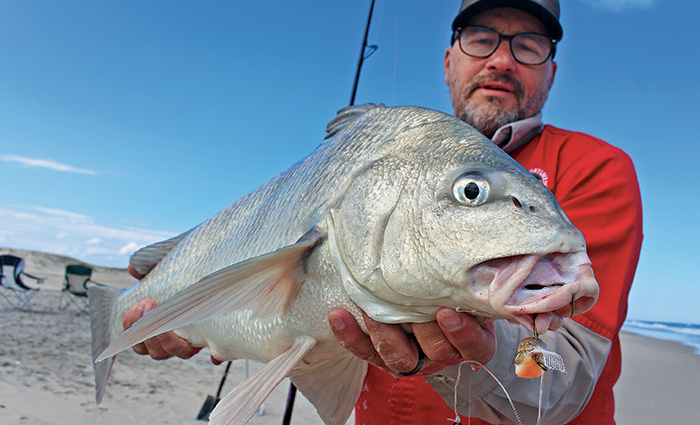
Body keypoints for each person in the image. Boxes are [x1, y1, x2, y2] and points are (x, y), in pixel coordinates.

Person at [124, 1, 643, 423]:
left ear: (551, 73)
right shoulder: (393, 150)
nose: (501, 61)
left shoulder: (595, 167)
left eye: (528, 47)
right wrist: (182, 312)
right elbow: (300, 325)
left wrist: (476, 347)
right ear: (448, 61)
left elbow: (565, 375)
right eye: (481, 39)